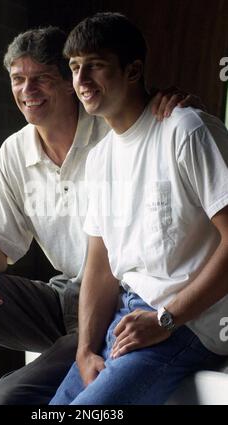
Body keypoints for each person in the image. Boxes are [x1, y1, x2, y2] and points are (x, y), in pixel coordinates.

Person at [0, 25, 202, 405]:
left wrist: (166, 97)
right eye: (18, 80)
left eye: (41, 78)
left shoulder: (112, 128)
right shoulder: (14, 152)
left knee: (5, 398)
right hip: (63, 297)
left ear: (70, 82)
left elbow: (143, 115)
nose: (27, 91)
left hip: (116, 302)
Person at [49, 12, 228, 405]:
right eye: (75, 68)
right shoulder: (99, 159)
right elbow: (99, 263)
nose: (80, 81)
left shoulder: (187, 131)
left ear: (133, 71)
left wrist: (166, 320)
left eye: (94, 65)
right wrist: (84, 349)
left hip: (191, 324)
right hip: (128, 318)